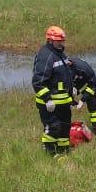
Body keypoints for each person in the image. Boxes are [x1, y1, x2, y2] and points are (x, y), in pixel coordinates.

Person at [32, 25, 75, 156]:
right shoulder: (46, 56)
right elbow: (38, 81)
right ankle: (51, 153)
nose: (61, 43)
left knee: (65, 128)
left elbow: (65, 74)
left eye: (62, 41)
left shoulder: (60, 53)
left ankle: (64, 151)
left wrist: (71, 90)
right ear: (50, 40)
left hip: (64, 102)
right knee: (53, 128)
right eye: (58, 41)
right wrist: (47, 100)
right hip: (51, 104)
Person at [68, 57, 96, 134]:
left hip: (88, 83)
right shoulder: (63, 67)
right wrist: (70, 97)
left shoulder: (85, 69)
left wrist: (82, 100)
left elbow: (93, 89)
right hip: (77, 80)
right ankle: (66, 128)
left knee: (92, 102)